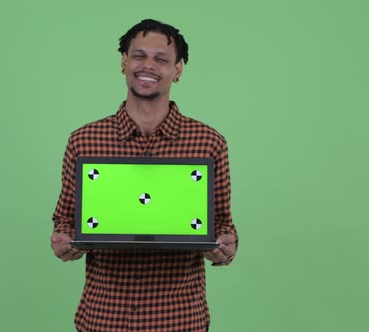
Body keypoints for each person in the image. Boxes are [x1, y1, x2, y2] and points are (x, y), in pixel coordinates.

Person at [51, 19, 238, 332]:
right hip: (103, 319)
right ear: (124, 62)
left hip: (179, 321)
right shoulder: (84, 140)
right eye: (138, 56)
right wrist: (63, 241)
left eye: (161, 59)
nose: (147, 65)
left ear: (177, 70)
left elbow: (223, 228)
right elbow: (65, 222)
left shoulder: (209, 142)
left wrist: (223, 249)